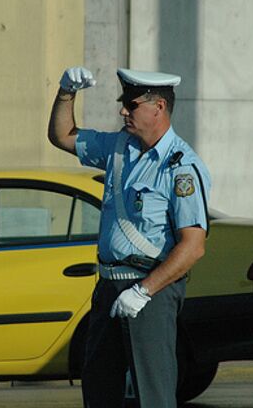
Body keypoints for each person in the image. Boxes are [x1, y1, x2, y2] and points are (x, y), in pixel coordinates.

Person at [48, 66, 211, 407]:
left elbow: (193, 246)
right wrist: (66, 93)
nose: (123, 110)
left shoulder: (180, 167)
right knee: (98, 390)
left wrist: (143, 291)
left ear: (158, 107)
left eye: (131, 104)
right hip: (108, 286)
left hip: (149, 290)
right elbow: (62, 136)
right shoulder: (119, 148)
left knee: (152, 394)